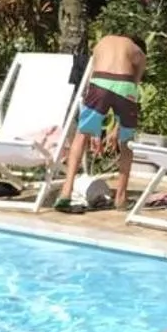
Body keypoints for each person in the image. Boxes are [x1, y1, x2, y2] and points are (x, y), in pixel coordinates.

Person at [56, 31, 147, 213]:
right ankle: (121, 198)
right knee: (126, 143)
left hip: (99, 83)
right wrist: (118, 128)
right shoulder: (138, 52)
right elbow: (133, 86)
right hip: (125, 85)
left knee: (81, 136)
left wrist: (95, 131)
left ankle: (66, 193)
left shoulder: (102, 43)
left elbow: (92, 80)